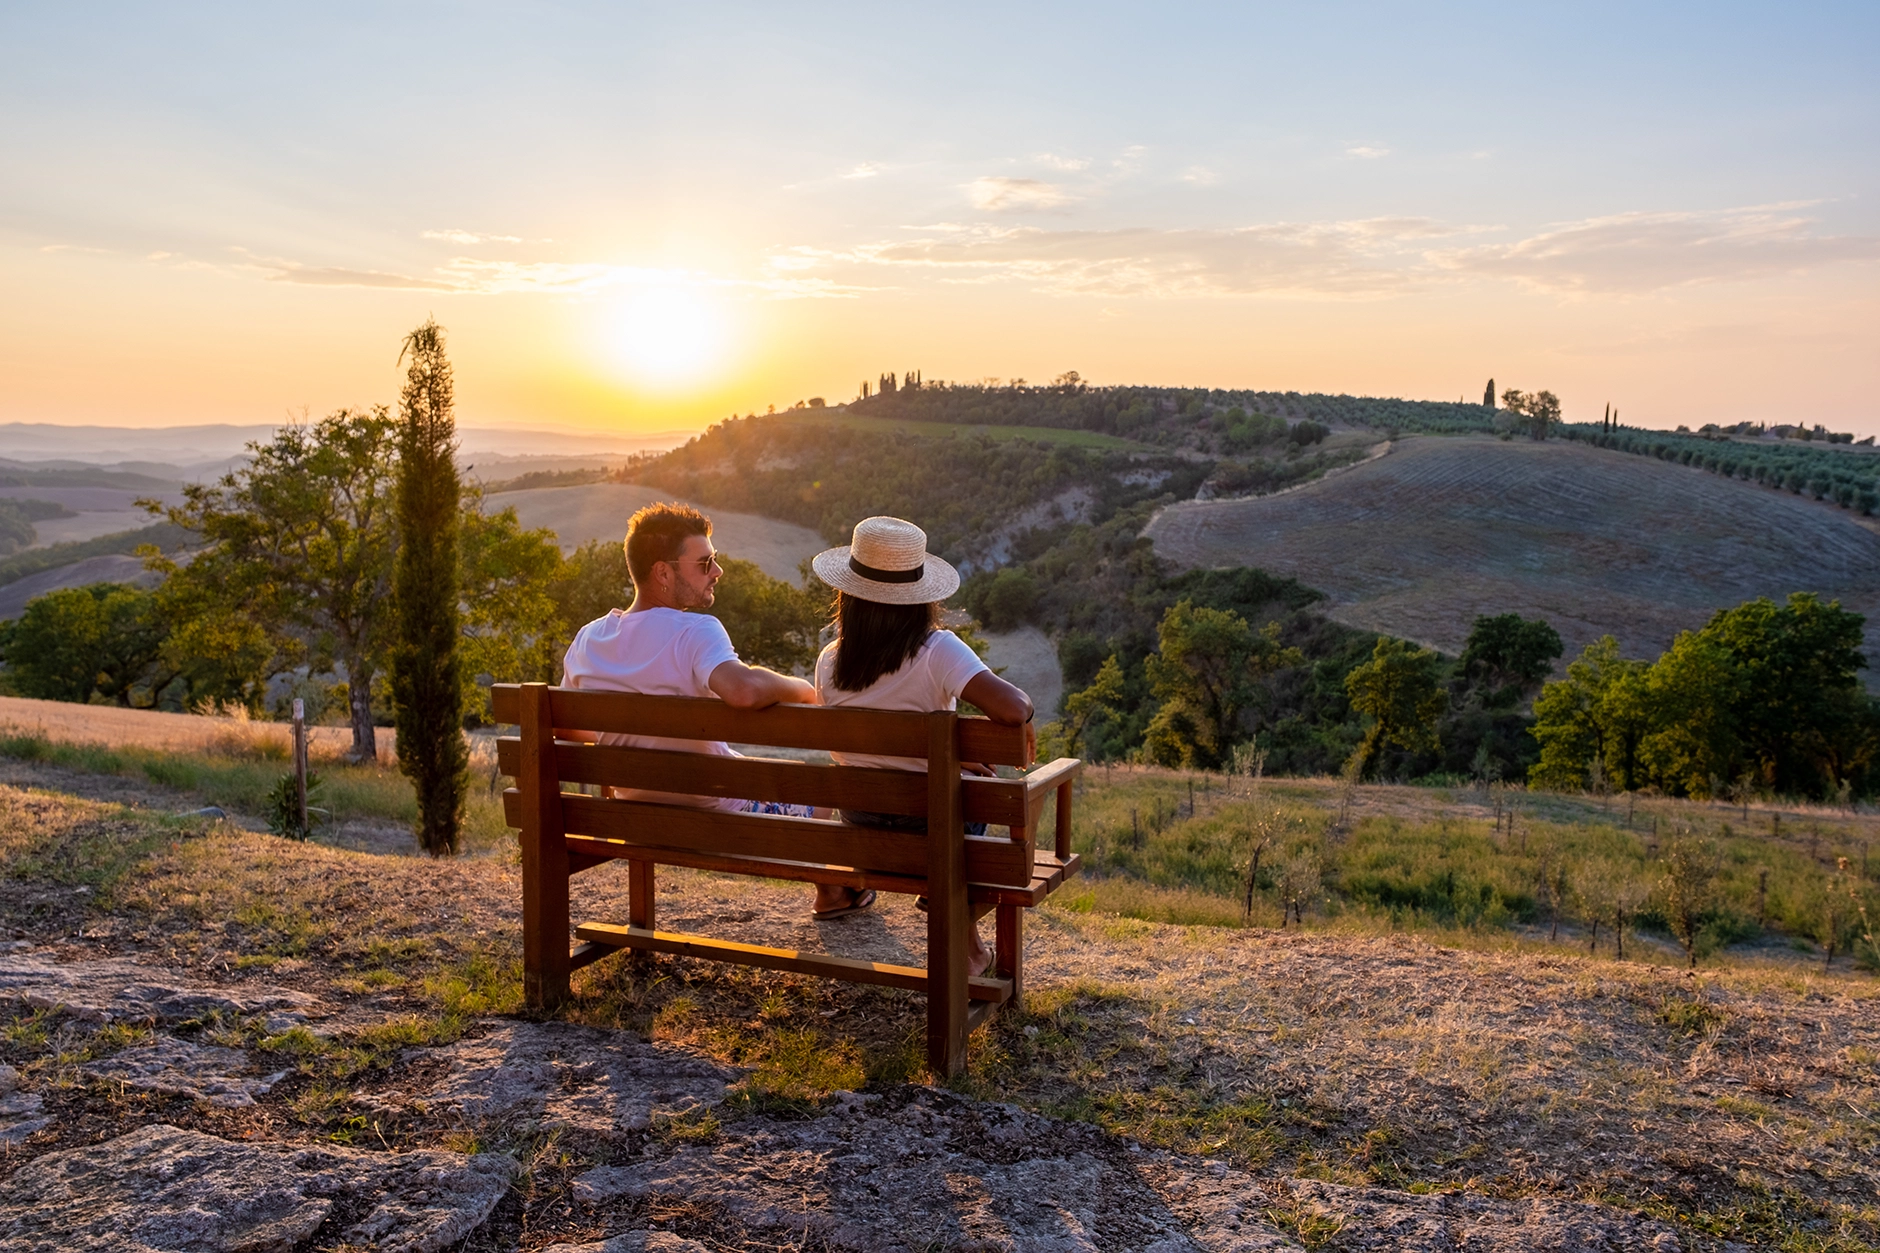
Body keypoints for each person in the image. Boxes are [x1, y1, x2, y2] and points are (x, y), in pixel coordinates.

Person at [809, 516, 1035, 972]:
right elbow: (1012, 707)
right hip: (937, 835)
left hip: (861, 825)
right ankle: (967, 948)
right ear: (919, 595)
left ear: (847, 594)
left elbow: (844, 747)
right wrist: (993, 732)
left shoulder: (830, 660)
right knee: (964, 802)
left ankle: (836, 888)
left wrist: (951, 750)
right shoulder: (938, 651)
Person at [560, 502, 816, 813]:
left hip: (634, 811)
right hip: (716, 809)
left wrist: (635, 742)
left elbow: (565, 726)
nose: (718, 572)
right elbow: (743, 690)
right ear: (663, 572)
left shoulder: (589, 638)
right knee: (818, 799)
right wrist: (803, 689)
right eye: (705, 563)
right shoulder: (695, 631)